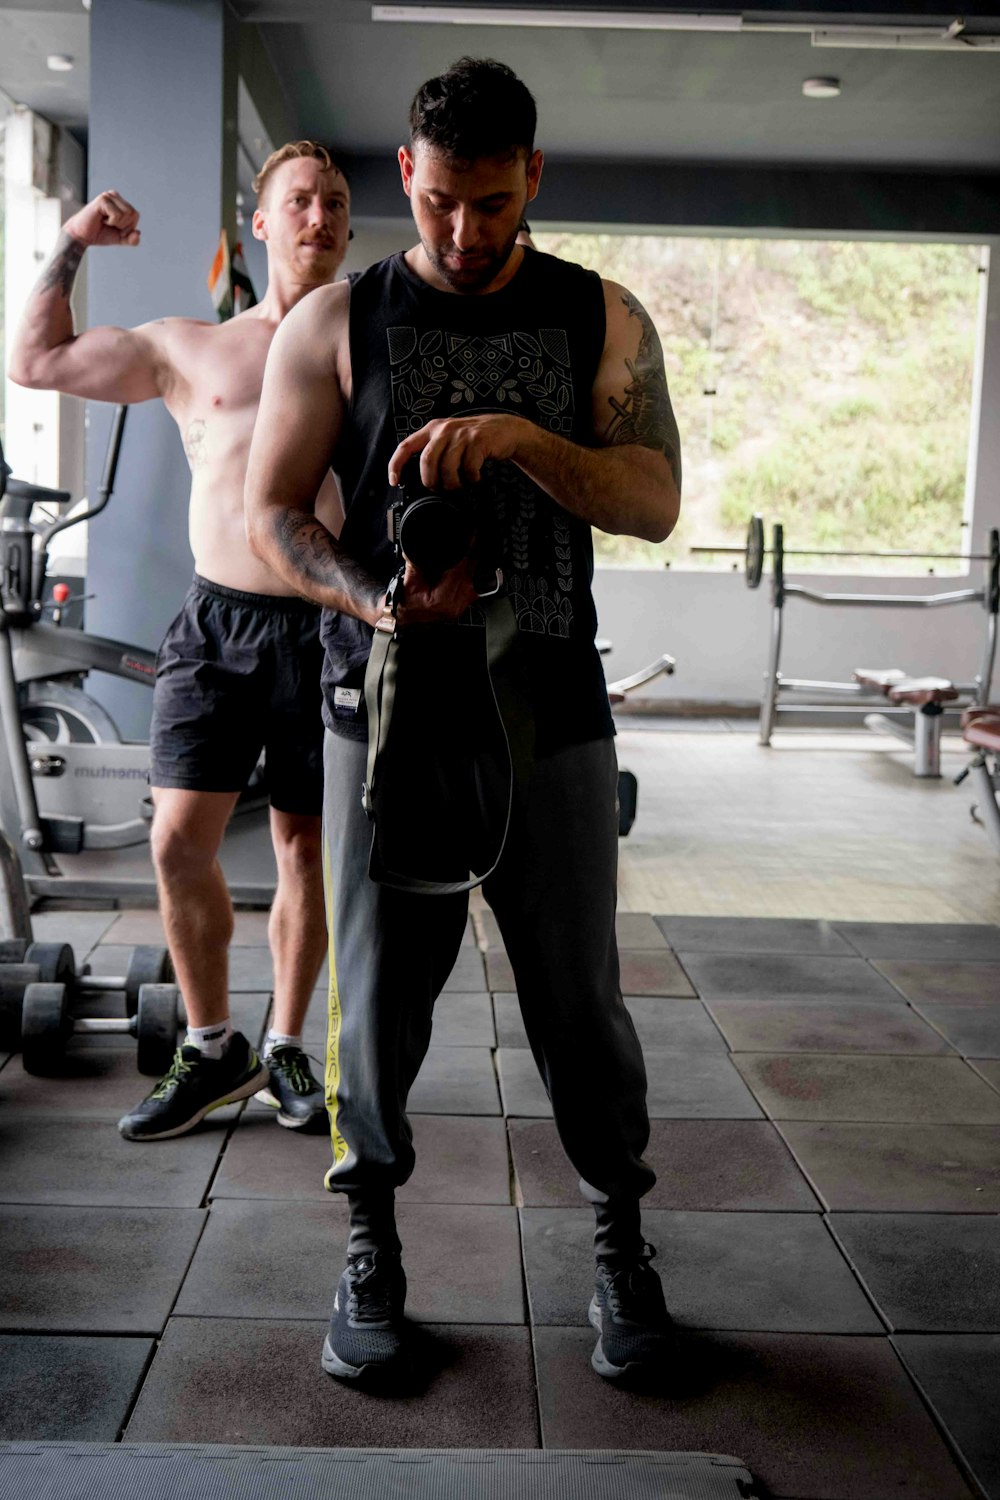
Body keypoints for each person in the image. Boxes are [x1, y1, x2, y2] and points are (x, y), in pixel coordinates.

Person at [244, 59, 681, 1384]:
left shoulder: (597, 316)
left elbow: (654, 498)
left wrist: (516, 440)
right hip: (376, 711)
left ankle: (621, 1242)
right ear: (405, 181)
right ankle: (368, 1244)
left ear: (531, 179)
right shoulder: (335, 320)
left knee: (580, 1004)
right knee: (372, 1007)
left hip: (553, 704)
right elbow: (271, 516)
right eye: (439, 204)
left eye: (491, 204)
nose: (462, 232)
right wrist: (376, 599)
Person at [10, 142, 352, 1141]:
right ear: (260, 220)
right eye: (298, 200)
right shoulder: (188, 348)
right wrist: (74, 241)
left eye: (335, 202)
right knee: (174, 840)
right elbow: (34, 363)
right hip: (218, 624)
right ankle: (213, 1046)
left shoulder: (368, 343)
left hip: (328, 627)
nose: (318, 218)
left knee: (304, 849)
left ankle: (287, 1046)